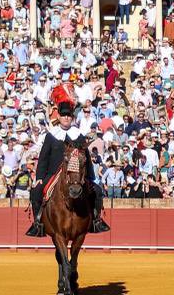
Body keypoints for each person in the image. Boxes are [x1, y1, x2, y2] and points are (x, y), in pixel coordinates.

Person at [25, 101, 111, 237]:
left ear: (72, 117)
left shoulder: (78, 135)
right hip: (53, 174)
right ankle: (37, 224)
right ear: (58, 117)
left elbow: (86, 158)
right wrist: (40, 178)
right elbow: (43, 158)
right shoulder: (51, 135)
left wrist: (90, 178)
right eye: (64, 115)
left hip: (75, 175)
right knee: (36, 191)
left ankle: (96, 220)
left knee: (98, 191)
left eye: (69, 115)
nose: (66, 118)